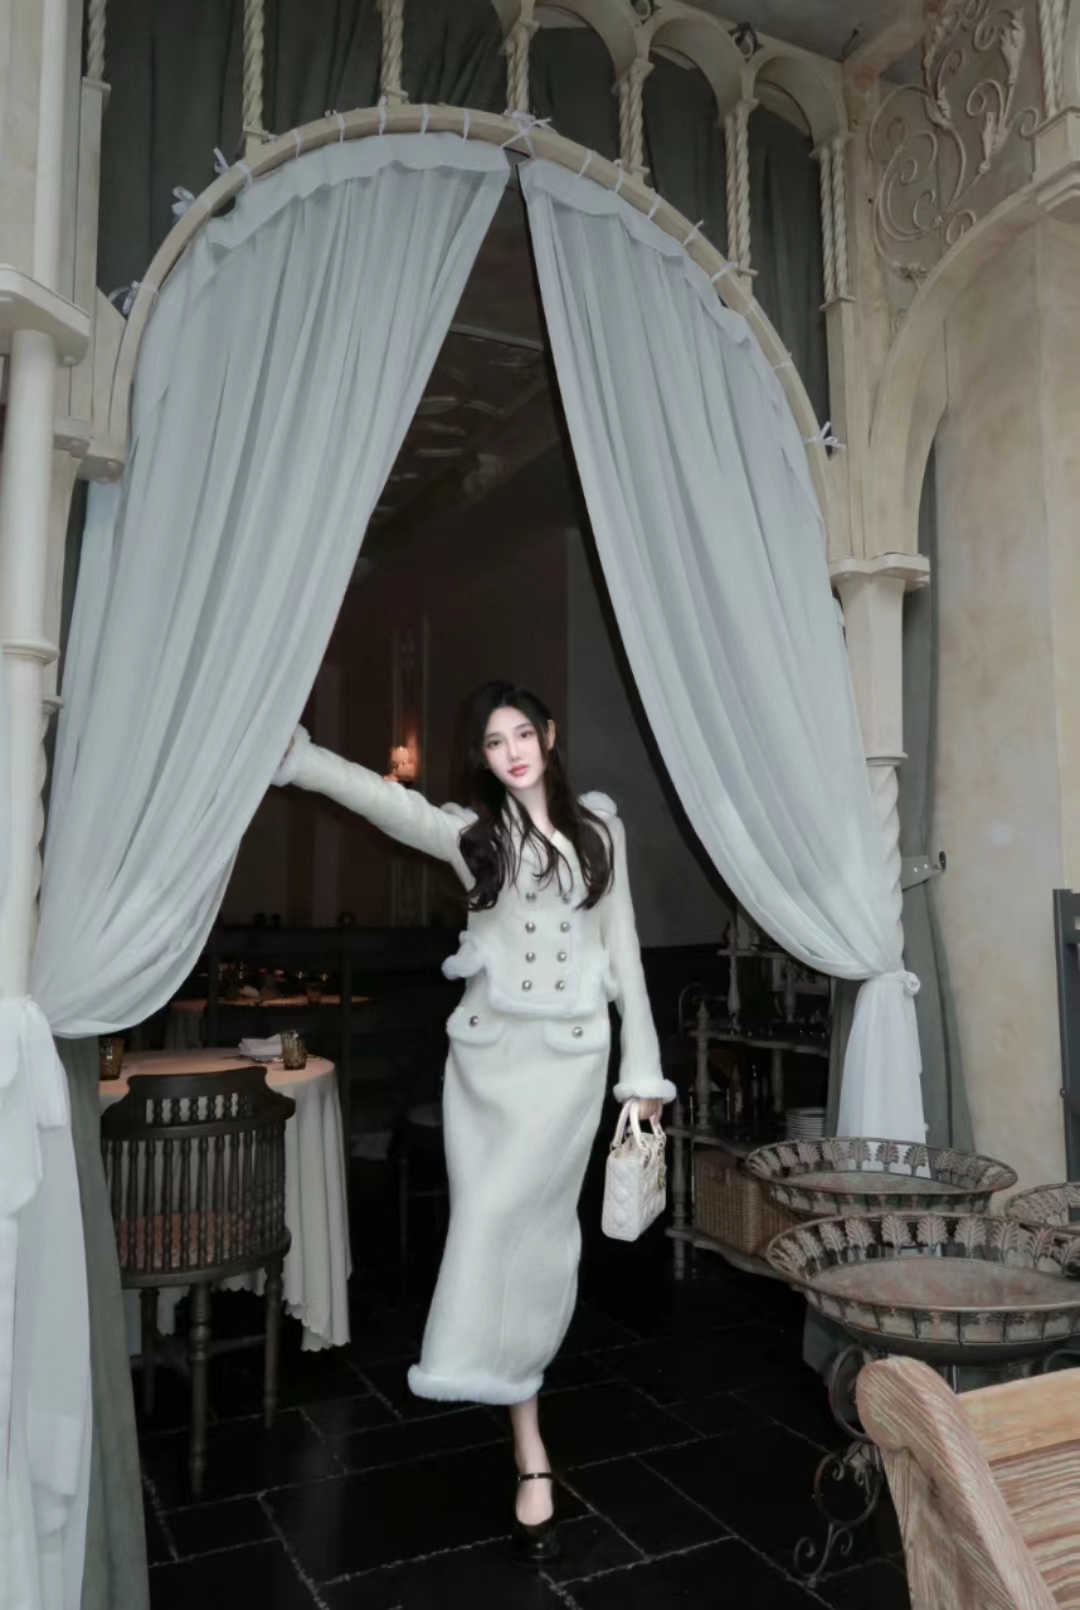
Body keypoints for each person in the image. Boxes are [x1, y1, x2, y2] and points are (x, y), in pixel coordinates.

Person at [273, 681, 675, 1561]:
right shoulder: (475, 837)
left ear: (549, 735)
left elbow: (626, 956)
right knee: (486, 1224)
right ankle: (527, 1435)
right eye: (495, 742)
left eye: (522, 734)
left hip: (568, 1066)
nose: (512, 752)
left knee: (535, 1235)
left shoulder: (601, 834)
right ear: (484, 758)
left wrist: (643, 1078)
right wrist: (302, 761)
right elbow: (389, 804)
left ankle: (524, 1430)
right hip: (488, 1069)